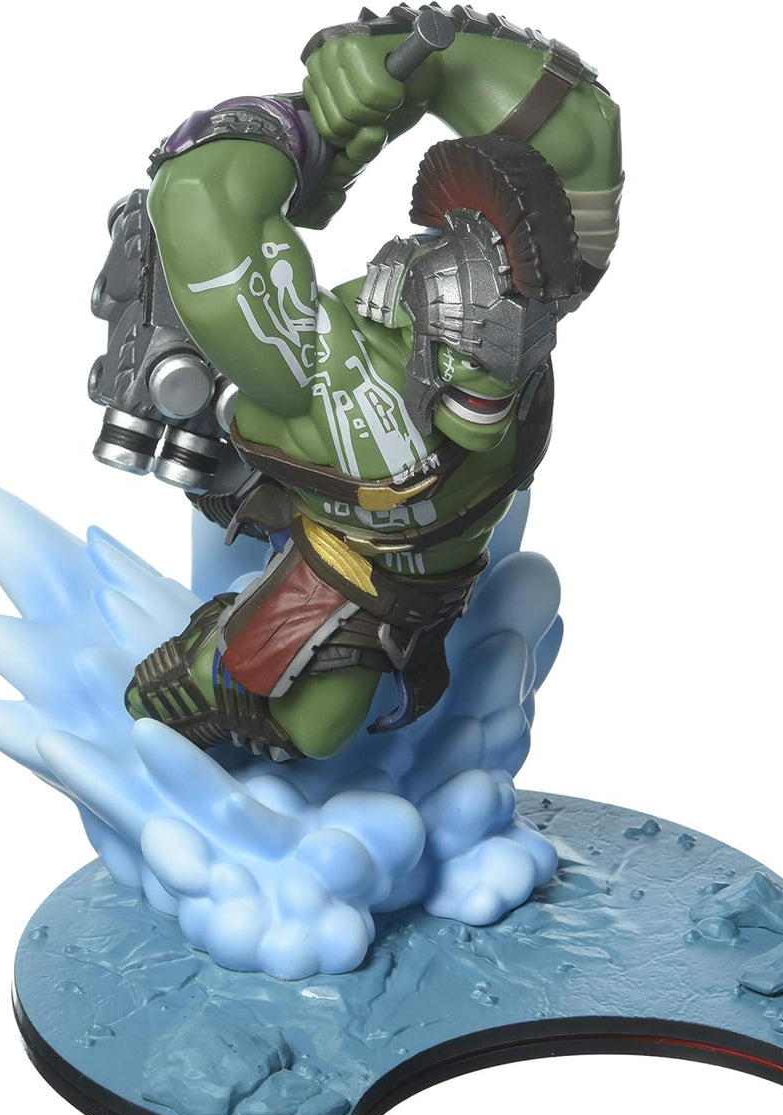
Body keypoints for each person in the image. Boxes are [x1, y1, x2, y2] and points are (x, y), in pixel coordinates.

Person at [125, 6, 622, 761]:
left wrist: (431, 65)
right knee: (251, 710)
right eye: (467, 361)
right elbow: (198, 195)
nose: (486, 397)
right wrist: (290, 125)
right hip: (331, 541)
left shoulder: (530, 308)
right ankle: (205, 679)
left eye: (511, 351)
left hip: (404, 582)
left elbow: (580, 126)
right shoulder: (328, 371)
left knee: (314, 730)